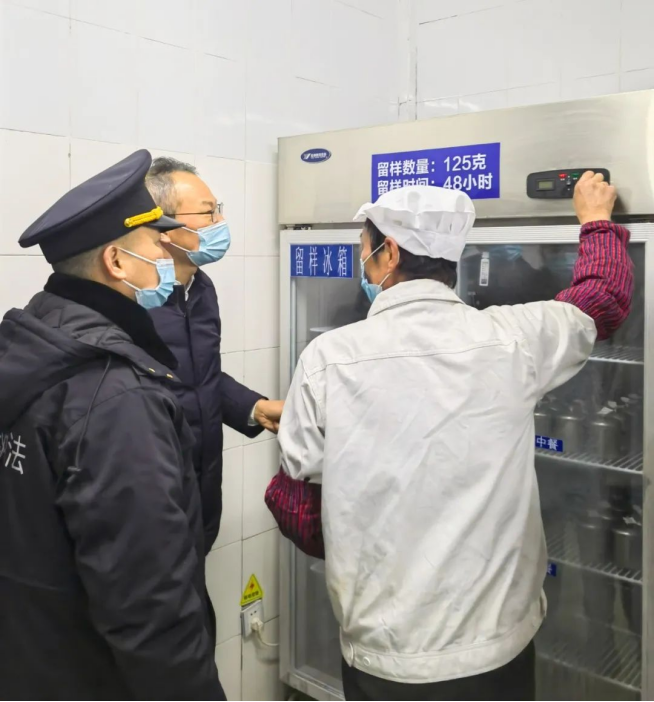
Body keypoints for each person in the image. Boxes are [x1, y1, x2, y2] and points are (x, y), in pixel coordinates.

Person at [266, 173, 633, 702]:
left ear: (390, 253)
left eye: (364, 249)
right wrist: (596, 222)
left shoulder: (328, 358)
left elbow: (299, 502)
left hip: (382, 652)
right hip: (496, 649)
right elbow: (601, 301)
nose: (362, 261)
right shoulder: (512, 338)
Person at [0, 150, 225, 701]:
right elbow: (150, 605)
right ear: (117, 262)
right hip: (98, 674)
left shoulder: (35, 344)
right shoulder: (117, 396)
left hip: (35, 657)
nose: (167, 255)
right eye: (157, 244)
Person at [145, 157, 284, 553]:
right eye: (208, 213)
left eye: (217, 209)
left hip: (203, 493)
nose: (220, 222)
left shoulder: (201, 289)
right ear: (165, 227)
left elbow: (197, 377)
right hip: (154, 499)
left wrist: (253, 407)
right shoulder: (136, 301)